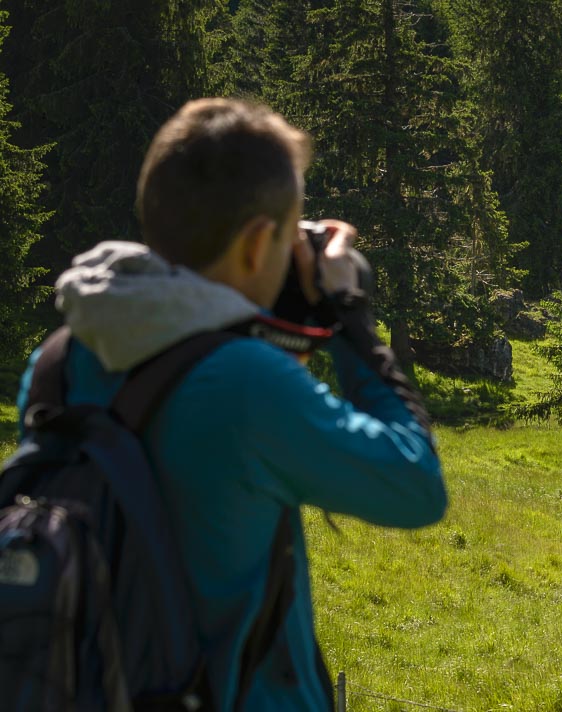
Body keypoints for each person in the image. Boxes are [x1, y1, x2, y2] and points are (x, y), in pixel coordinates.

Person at [16, 98, 447, 710]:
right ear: (253, 247)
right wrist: (349, 313)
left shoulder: (58, 361)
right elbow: (415, 486)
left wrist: (275, 326)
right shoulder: (247, 385)